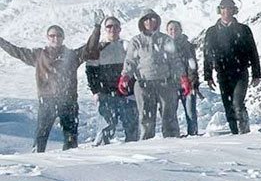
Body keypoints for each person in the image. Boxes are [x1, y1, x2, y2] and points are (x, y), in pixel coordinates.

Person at [0, 15, 103, 152]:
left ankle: (70, 160)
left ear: (63, 38)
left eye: (59, 35)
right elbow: (17, 51)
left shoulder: (72, 55)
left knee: (71, 137)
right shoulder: (38, 55)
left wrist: (97, 28)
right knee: (41, 135)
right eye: (52, 35)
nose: (56, 38)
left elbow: (89, 48)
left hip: (68, 101)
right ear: (47, 38)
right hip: (47, 100)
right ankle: (38, 159)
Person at [119, 9, 191, 140]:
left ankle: (173, 142)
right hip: (144, 84)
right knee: (146, 118)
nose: (149, 21)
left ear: (157, 21)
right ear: (142, 22)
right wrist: (125, 76)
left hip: (166, 83)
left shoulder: (166, 39)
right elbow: (130, 61)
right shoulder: (136, 41)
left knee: (169, 116)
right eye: (146, 19)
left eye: (152, 18)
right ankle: (147, 144)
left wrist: (183, 78)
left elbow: (175, 61)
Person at [203, 0, 261, 134]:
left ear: (234, 11)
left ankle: (244, 130)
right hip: (222, 73)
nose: (226, 11)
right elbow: (207, 54)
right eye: (223, 8)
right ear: (219, 11)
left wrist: (256, 73)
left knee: (237, 103)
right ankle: (235, 133)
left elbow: (252, 51)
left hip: (241, 72)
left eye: (229, 8)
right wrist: (208, 76)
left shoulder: (243, 29)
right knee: (228, 106)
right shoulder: (212, 32)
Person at [85, 16, 139, 144]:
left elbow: (137, 66)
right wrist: (95, 91)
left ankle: (133, 152)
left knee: (132, 128)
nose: (112, 29)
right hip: (106, 94)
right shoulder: (99, 48)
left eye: (115, 26)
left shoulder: (127, 46)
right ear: (105, 29)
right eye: (109, 26)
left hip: (127, 94)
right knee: (105, 129)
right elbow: (91, 71)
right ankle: (101, 153)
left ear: (120, 29)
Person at [166, 20, 200, 136]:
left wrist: (192, 81)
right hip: (171, 84)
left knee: (190, 112)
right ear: (167, 31)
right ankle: (174, 136)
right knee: (171, 113)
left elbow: (192, 65)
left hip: (188, 83)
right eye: (171, 29)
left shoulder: (187, 45)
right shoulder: (164, 46)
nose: (173, 31)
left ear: (181, 30)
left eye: (176, 28)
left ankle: (193, 134)